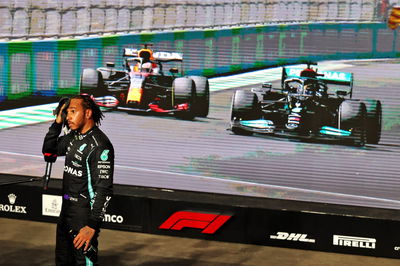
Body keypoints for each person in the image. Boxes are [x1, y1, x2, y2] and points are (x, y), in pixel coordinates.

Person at [42, 95, 114, 266]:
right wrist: (57, 123)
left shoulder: (100, 145)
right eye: (67, 112)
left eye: (73, 112)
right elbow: (49, 151)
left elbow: (103, 190)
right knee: (62, 261)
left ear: (88, 113)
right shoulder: (73, 137)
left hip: (83, 219)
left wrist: (91, 226)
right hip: (66, 213)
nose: (68, 117)